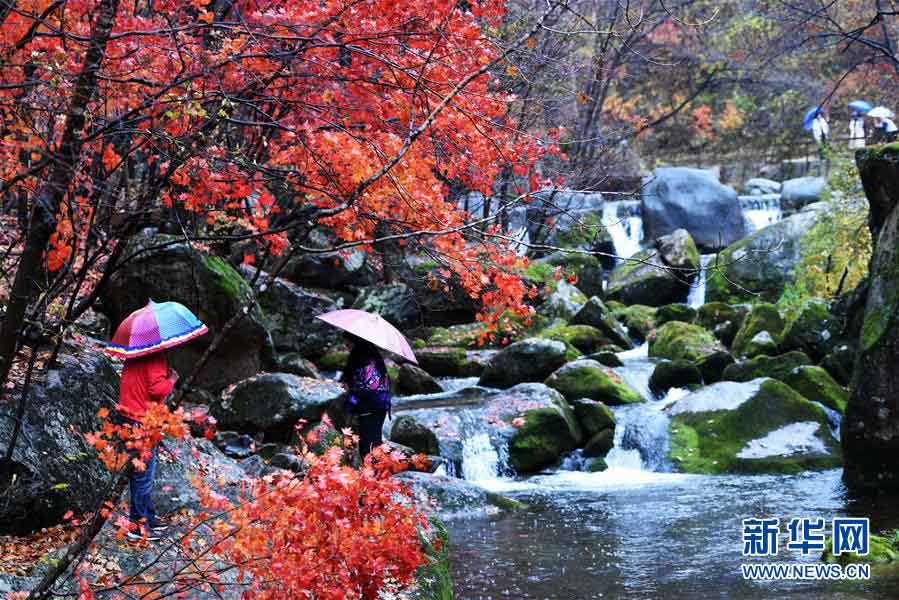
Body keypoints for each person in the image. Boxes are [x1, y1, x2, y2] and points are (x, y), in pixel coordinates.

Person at [116, 351, 178, 541]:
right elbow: (157, 390)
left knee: (140, 473)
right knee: (143, 476)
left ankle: (148, 518)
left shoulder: (135, 355)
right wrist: (172, 379)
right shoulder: (155, 359)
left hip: (127, 417)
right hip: (142, 421)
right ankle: (138, 526)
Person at [341, 334, 391, 459]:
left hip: (372, 408)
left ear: (357, 344)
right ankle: (377, 468)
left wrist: (349, 392)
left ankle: (375, 469)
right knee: (372, 445)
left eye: (348, 344)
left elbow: (369, 389)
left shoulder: (367, 363)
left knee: (369, 448)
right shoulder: (368, 359)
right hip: (377, 406)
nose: (347, 347)